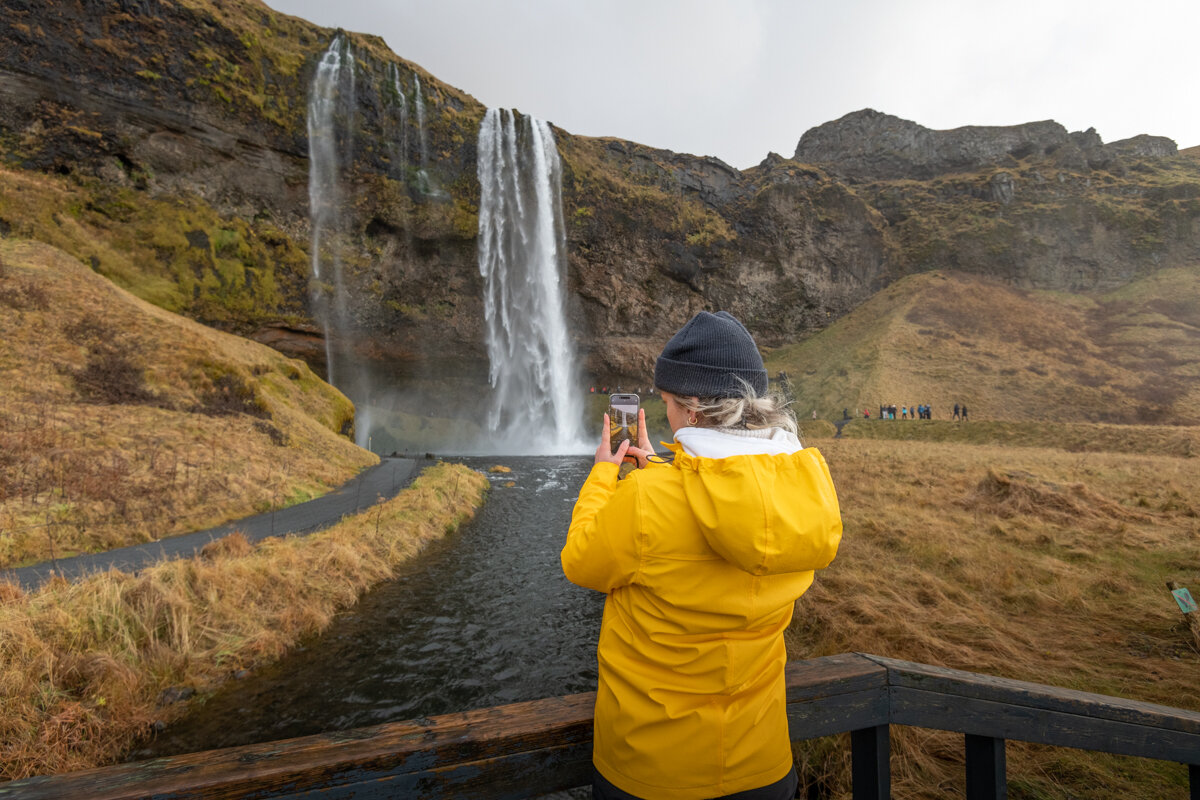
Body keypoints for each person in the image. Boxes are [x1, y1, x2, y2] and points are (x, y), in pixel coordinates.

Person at [562, 311, 843, 800]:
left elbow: (581, 561)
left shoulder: (647, 499)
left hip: (652, 771)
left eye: (668, 402)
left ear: (692, 410)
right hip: (763, 768)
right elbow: (730, 494)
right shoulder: (805, 493)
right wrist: (664, 465)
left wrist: (607, 475)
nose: (666, 413)